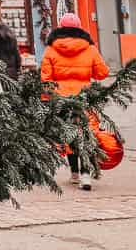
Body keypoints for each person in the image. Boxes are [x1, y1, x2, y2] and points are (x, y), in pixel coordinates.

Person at [40, 12, 110, 190]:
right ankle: (87, 175)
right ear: (79, 28)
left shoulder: (51, 49)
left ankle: (75, 173)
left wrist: (47, 99)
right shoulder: (90, 48)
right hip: (85, 98)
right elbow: (102, 73)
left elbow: (46, 79)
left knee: (69, 134)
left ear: (61, 28)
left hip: (62, 98)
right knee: (86, 133)